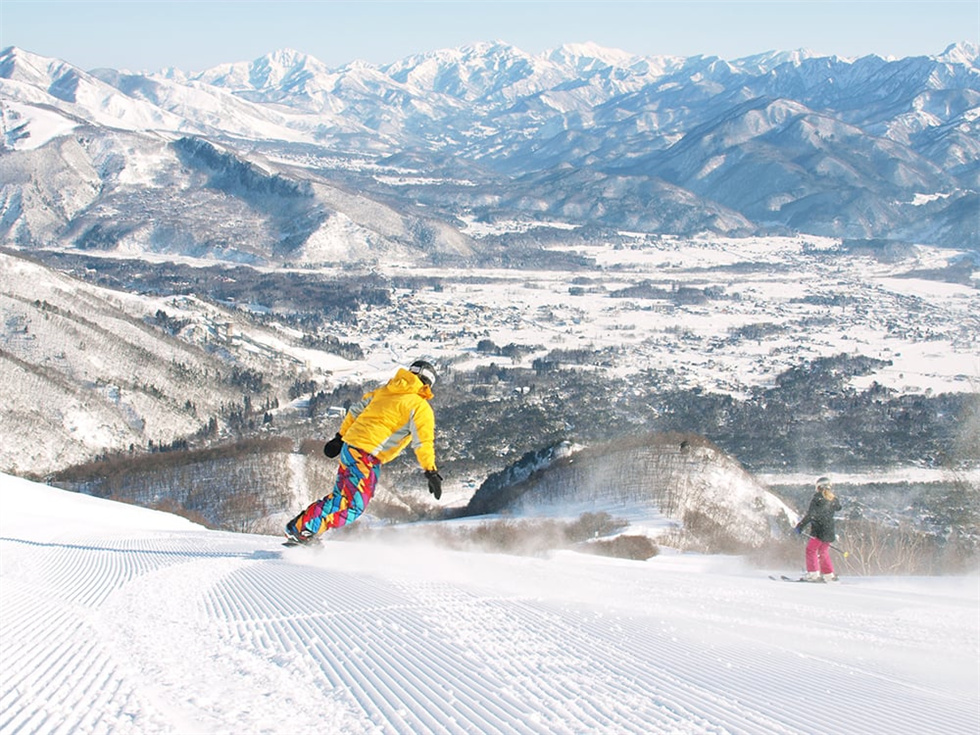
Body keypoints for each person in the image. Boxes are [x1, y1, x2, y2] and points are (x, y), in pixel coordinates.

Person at [285, 359, 443, 544]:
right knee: (354, 505)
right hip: (366, 456)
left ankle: (307, 531)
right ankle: (301, 529)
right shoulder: (419, 406)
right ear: (428, 383)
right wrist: (431, 471)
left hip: (350, 448)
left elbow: (355, 411)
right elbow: (423, 442)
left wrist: (340, 437)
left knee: (341, 498)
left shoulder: (385, 391)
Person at [794, 476, 843, 582]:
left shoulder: (817, 498)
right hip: (829, 531)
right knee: (823, 552)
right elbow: (839, 507)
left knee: (811, 550)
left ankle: (813, 574)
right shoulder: (833, 499)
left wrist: (800, 526)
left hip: (819, 531)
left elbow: (811, 515)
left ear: (818, 487)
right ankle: (828, 574)